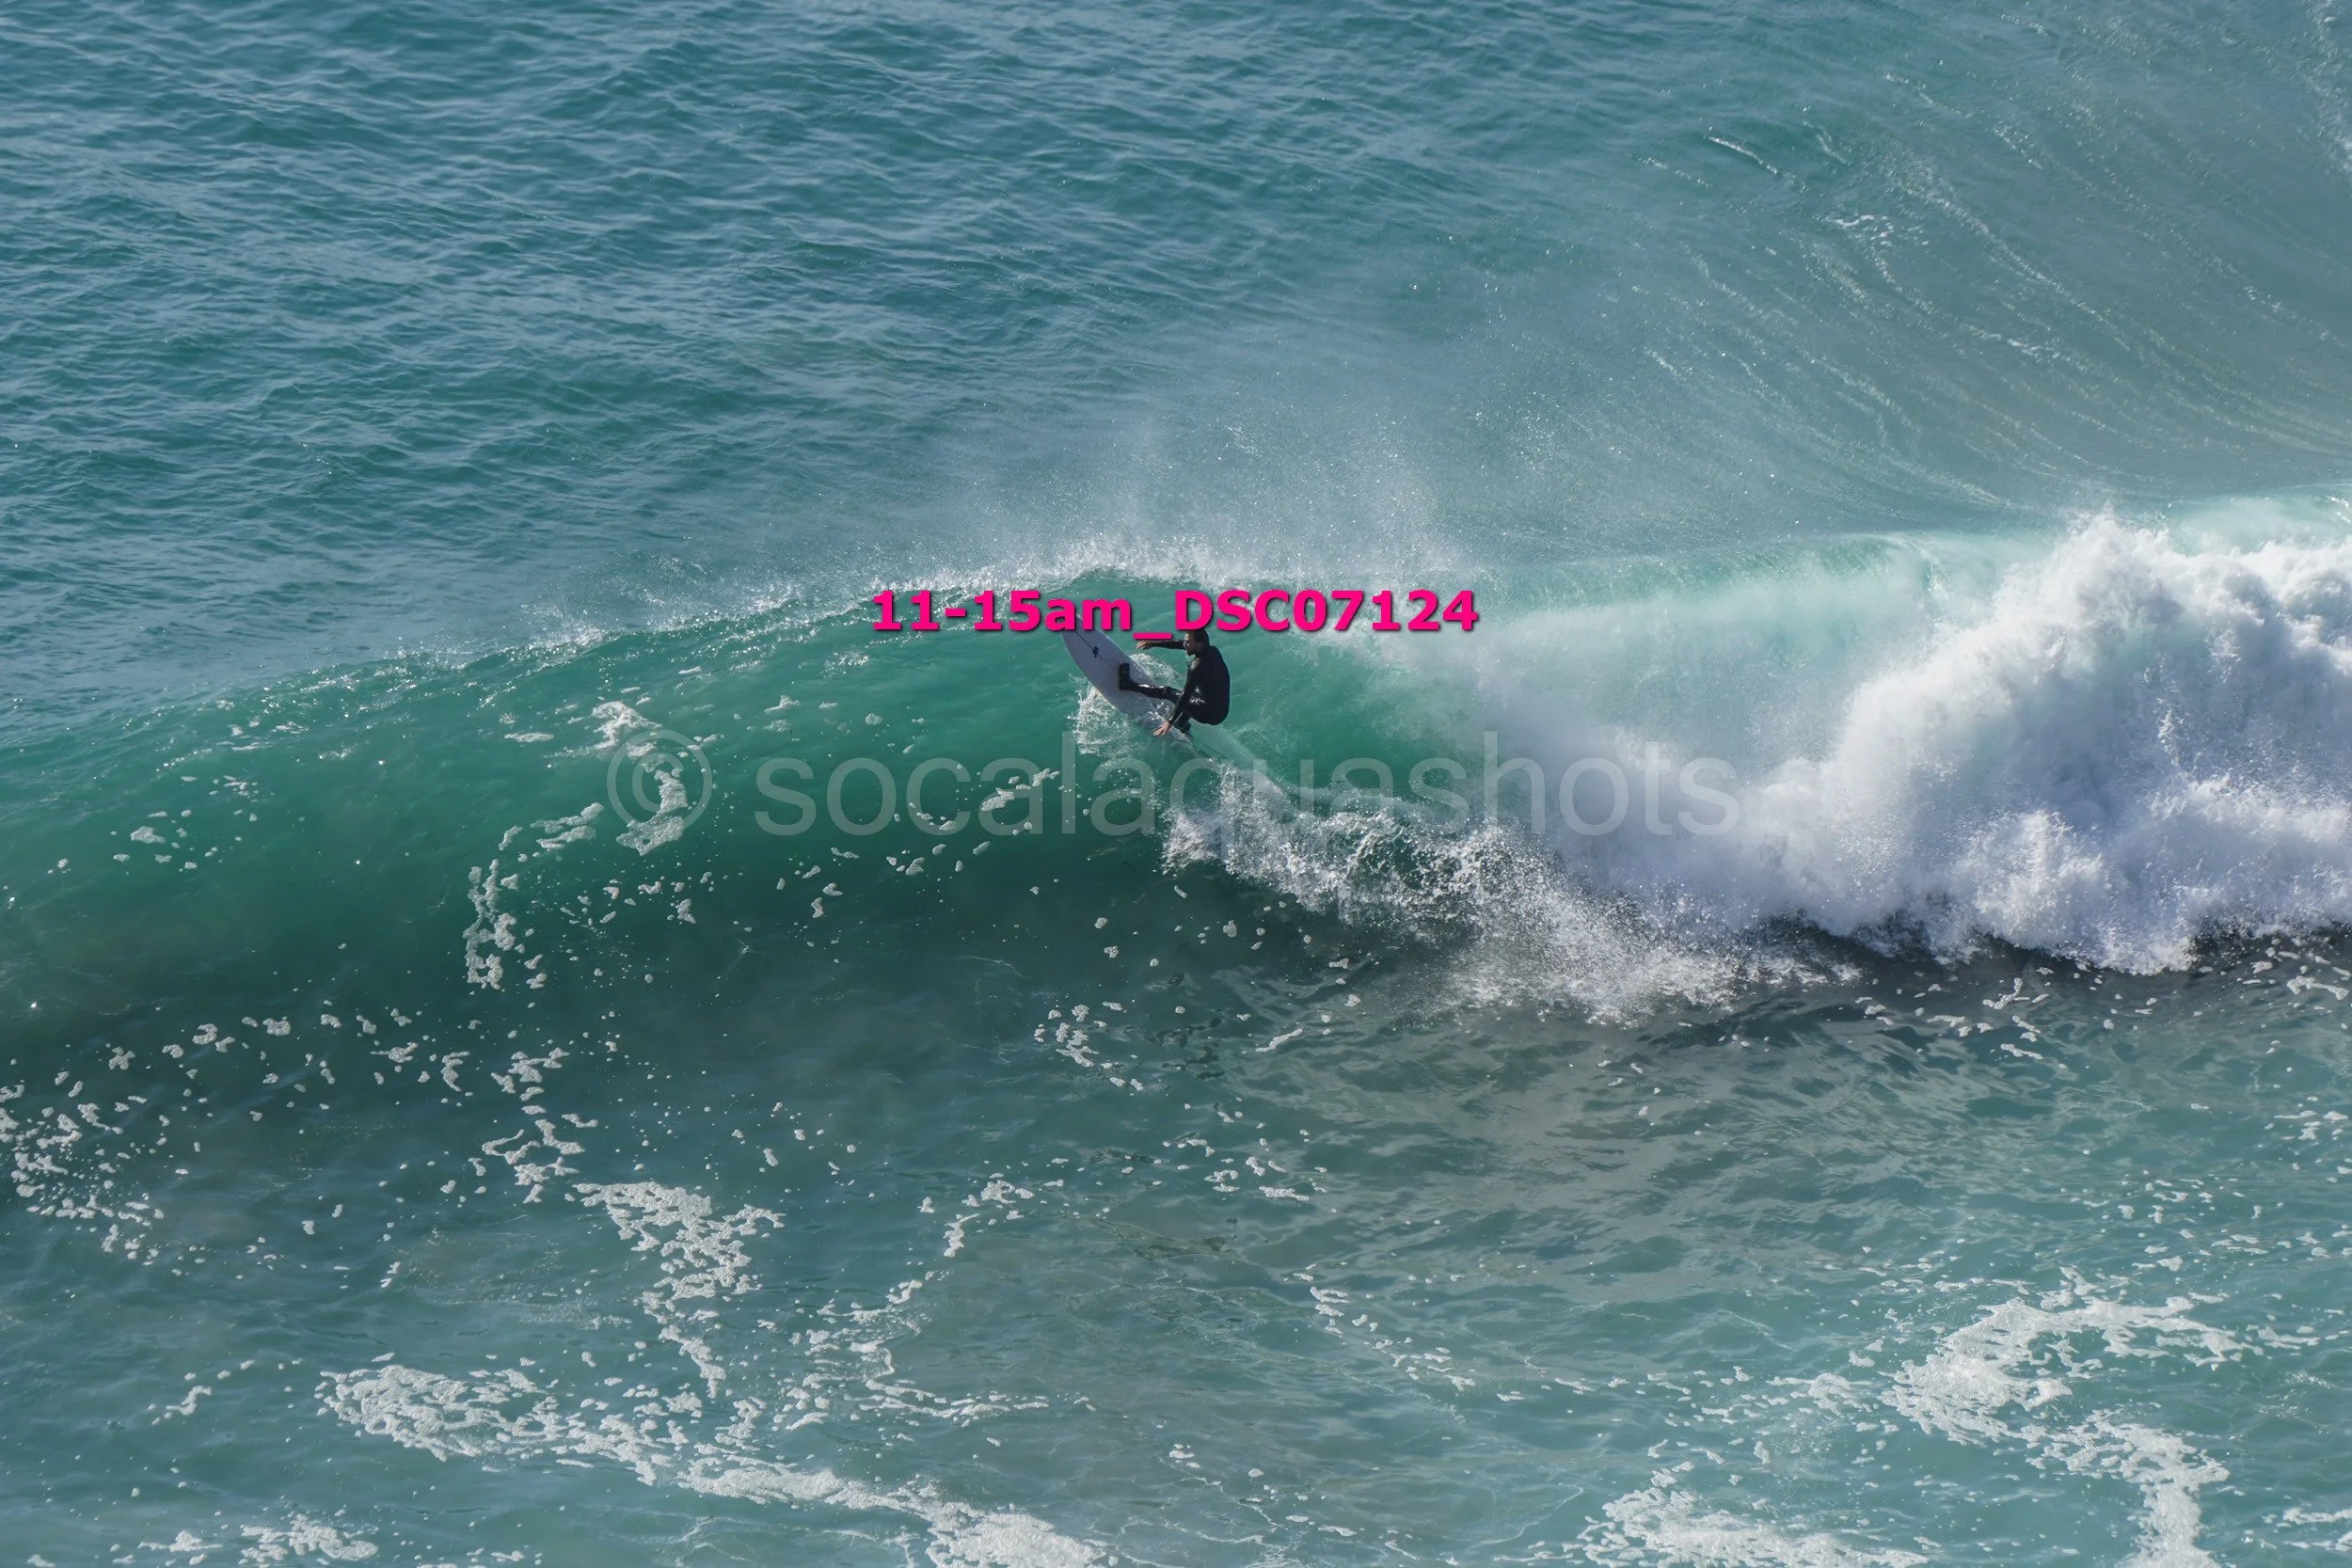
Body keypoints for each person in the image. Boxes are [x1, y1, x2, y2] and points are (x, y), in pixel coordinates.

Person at [1119, 626, 1230, 736]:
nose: (1185, 645)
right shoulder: (1213, 651)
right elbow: (1180, 644)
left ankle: (1128, 685)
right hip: (1221, 712)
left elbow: (1186, 695)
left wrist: (1170, 721)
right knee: (1197, 694)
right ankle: (1181, 724)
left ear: (1199, 644)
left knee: (1166, 691)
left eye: (1188, 642)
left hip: (1207, 714)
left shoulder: (1197, 666)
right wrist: (1153, 643)